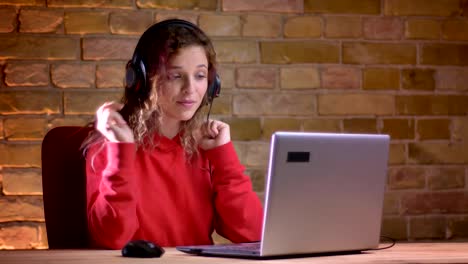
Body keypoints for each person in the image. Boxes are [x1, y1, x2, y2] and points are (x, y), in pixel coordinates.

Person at [81, 19, 263, 249]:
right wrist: (121, 152)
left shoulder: (205, 146)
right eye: (175, 76)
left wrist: (224, 159)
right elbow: (112, 238)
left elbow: (253, 233)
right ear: (142, 80)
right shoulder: (110, 145)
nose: (190, 89)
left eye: (199, 76)